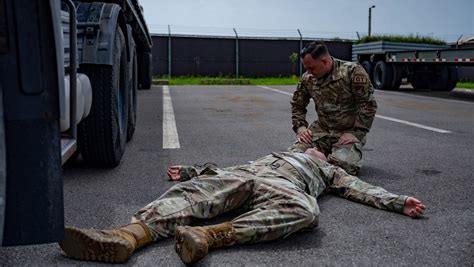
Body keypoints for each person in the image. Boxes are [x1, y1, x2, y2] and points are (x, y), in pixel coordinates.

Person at [58, 149, 425, 265]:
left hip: (286, 188)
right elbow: (223, 167)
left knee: (308, 212)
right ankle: (125, 237)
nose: (312, 147)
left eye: (317, 149)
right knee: (198, 193)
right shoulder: (278, 151)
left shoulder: (327, 171)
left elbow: (361, 187)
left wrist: (398, 201)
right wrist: (191, 170)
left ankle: (206, 237)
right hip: (246, 174)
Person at [289, 41, 377, 175]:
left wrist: (356, 133)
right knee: (293, 157)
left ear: (324, 62)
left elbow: (367, 104)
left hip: (346, 133)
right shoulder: (308, 78)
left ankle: (323, 159)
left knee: (344, 166)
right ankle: (323, 159)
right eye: (306, 68)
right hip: (321, 130)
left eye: (311, 68)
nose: (308, 72)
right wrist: (301, 128)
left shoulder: (352, 72)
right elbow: (297, 105)